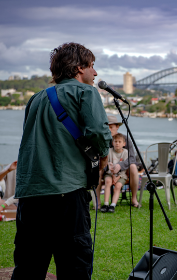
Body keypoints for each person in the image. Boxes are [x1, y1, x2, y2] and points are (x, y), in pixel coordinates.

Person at [11, 43, 111, 280]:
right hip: (67, 194)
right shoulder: (86, 92)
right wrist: (103, 158)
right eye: (92, 66)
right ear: (79, 68)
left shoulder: (35, 99)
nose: (95, 73)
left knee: (28, 268)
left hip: (30, 196)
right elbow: (98, 133)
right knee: (74, 267)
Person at [94, 115, 140, 209]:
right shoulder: (102, 140)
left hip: (123, 172)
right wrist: (107, 167)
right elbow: (97, 158)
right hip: (107, 171)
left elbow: (132, 158)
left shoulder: (125, 139)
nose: (109, 130)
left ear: (117, 127)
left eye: (111, 127)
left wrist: (120, 165)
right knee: (97, 170)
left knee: (133, 167)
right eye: (107, 127)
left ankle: (134, 198)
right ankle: (98, 201)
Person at [100, 133, 128, 213]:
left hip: (121, 175)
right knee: (108, 181)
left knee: (118, 186)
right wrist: (112, 175)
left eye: (119, 142)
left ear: (124, 144)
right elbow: (107, 165)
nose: (117, 143)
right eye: (115, 141)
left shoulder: (125, 152)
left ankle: (112, 205)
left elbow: (125, 167)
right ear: (112, 143)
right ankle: (106, 204)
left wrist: (117, 177)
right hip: (109, 173)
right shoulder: (109, 151)